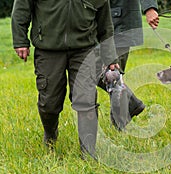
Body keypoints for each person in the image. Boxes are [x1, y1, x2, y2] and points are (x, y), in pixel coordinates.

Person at [11, 0, 118, 159]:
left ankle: (88, 152)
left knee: (86, 100)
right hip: (48, 49)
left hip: (84, 49)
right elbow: (20, 10)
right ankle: (50, 135)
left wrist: (110, 56)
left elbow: (105, 24)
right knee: (49, 103)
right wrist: (20, 41)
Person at [100, 0, 160, 130]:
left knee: (112, 74)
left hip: (119, 22)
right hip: (94, 23)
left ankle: (119, 127)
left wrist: (149, 8)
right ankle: (132, 104)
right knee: (97, 72)